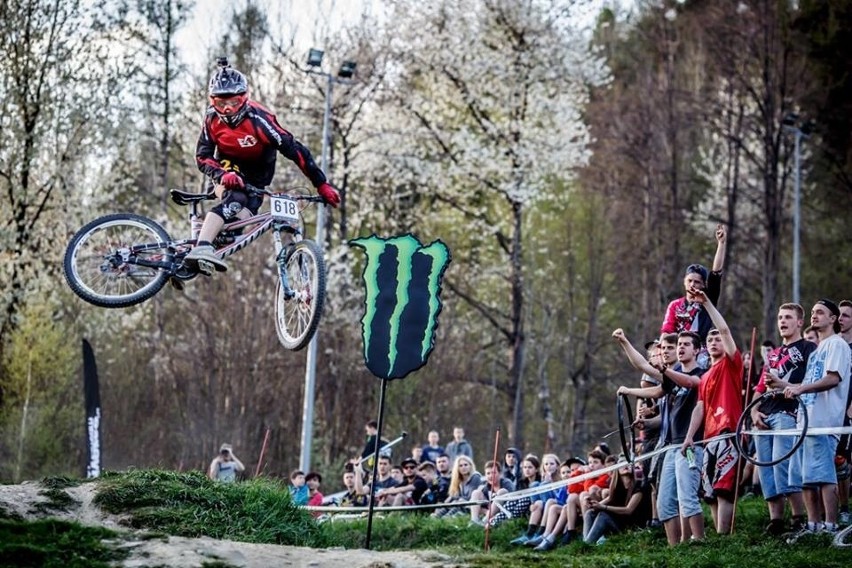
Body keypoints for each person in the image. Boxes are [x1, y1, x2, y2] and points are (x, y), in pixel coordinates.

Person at [185, 58, 340, 273]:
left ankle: (199, 254)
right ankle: (202, 247)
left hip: (259, 174)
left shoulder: (260, 120)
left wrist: (321, 183)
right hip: (229, 167)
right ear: (212, 102)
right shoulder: (211, 120)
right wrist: (221, 175)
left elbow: (295, 150)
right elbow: (202, 156)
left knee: (246, 216)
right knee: (235, 198)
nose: (228, 109)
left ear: (245, 99)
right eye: (221, 104)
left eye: (234, 102)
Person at [615, 329, 705, 545]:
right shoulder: (671, 379)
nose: (681, 348)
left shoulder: (702, 374)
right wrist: (624, 342)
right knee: (664, 502)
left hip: (691, 445)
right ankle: (676, 550)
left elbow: (691, 383)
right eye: (679, 344)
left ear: (697, 350)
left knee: (688, 499)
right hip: (671, 447)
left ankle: (699, 542)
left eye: (684, 345)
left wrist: (665, 370)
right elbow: (647, 375)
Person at [778, 300, 851, 537]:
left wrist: (800, 389)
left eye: (820, 313)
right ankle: (813, 526)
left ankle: (830, 526)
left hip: (824, 423)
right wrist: (784, 385)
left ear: (833, 319)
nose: (814, 316)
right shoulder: (817, 349)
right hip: (805, 423)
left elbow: (832, 379)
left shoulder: (837, 345)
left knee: (824, 476)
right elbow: (807, 384)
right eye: (812, 312)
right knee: (805, 479)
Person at [681, 289, 743, 535]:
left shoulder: (731, 364)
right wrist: (689, 436)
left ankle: (724, 537)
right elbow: (700, 407)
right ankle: (719, 539)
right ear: (705, 348)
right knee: (710, 493)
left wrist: (706, 304)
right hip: (708, 437)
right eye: (710, 340)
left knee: (724, 489)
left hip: (729, 432)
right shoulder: (704, 376)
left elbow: (725, 330)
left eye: (718, 339)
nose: (715, 341)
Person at [750, 303, 815, 535]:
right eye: (779, 317)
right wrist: (754, 412)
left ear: (799, 322)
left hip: (789, 412)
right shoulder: (773, 354)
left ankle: (798, 516)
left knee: (783, 464)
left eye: (788, 317)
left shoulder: (810, 348)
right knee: (765, 468)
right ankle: (775, 519)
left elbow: (810, 384)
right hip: (764, 413)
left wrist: (783, 385)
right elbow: (759, 389)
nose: (782, 321)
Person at [660, 224, 727, 366]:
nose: (692, 285)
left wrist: (721, 244)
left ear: (703, 285)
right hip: (679, 351)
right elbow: (666, 332)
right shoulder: (675, 305)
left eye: (697, 282)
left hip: (701, 352)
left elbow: (716, 273)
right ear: (684, 282)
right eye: (689, 281)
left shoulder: (707, 300)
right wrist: (662, 351)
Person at [580, 463, 652, 546]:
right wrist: (592, 504)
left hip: (632, 527)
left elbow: (628, 510)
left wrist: (603, 507)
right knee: (589, 513)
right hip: (620, 523)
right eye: (622, 463)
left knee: (603, 516)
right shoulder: (617, 487)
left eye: (628, 463)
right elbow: (597, 506)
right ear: (617, 469)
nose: (626, 465)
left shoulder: (639, 486)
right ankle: (585, 544)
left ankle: (587, 546)